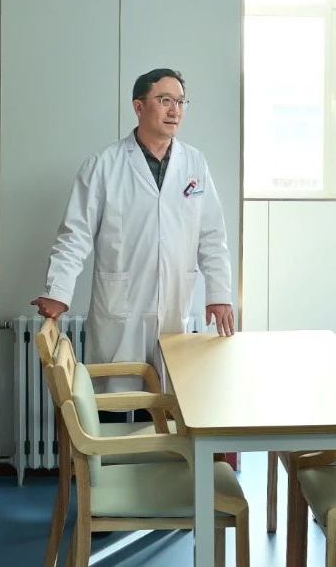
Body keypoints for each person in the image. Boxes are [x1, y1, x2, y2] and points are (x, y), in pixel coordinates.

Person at [31, 68, 235, 385]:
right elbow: (75, 236)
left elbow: (212, 236)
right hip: (120, 308)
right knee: (117, 396)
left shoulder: (195, 164)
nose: (175, 110)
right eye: (165, 100)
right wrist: (58, 291)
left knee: (167, 396)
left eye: (181, 102)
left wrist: (219, 294)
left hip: (174, 306)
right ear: (139, 107)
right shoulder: (104, 165)